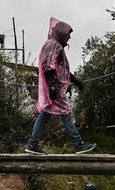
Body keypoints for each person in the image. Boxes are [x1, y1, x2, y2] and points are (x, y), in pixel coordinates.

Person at [25, 17, 96, 155]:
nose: (69, 37)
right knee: (66, 114)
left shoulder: (54, 45)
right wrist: (52, 85)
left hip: (55, 87)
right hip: (54, 87)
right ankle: (79, 144)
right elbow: (49, 66)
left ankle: (32, 144)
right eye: (68, 34)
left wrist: (75, 82)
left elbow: (63, 70)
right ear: (62, 33)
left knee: (45, 114)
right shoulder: (53, 45)